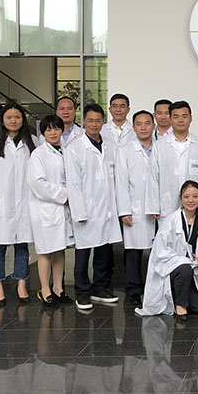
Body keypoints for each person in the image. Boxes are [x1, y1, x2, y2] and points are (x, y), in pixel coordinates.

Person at [65, 103, 123, 311]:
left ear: (103, 122)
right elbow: (73, 184)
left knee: (103, 251)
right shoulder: (74, 148)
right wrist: (79, 211)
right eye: (90, 120)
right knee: (83, 253)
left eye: (98, 120)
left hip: (106, 208)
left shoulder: (110, 146)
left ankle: (100, 288)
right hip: (86, 209)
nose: (94, 124)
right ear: (84, 122)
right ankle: (82, 291)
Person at [0, 103, 37, 307]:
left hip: (25, 201)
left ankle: (22, 283)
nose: (14, 120)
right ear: (2, 120)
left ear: (23, 119)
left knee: (22, 245)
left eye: (17, 117)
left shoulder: (33, 141)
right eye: (9, 117)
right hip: (1, 202)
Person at [136, 180, 198, 319]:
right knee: (184, 268)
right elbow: (161, 251)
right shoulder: (171, 221)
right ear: (180, 198)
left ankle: (176, 295)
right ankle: (180, 306)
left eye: (195, 196)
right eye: (186, 197)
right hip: (171, 270)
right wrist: (182, 261)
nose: (190, 200)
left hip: (191, 271)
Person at [27, 115, 74, 307]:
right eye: (48, 129)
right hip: (46, 209)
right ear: (43, 133)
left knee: (60, 249)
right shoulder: (38, 154)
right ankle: (45, 290)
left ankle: (58, 288)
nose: (53, 133)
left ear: (62, 130)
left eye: (56, 129)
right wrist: (65, 195)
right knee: (46, 251)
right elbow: (37, 183)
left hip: (63, 209)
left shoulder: (67, 150)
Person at [116, 110, 158, 308]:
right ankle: (133, 290)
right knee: (133, 251)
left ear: (153, 126)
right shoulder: (124, 150)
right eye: (139, 124)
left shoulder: (161, 147)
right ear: (133, 127)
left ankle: (155, 289)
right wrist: (124, 210)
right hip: (135, 207)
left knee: (158, 250)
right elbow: (121, 182)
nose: (143, 127)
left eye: (147, 123)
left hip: (159, 208)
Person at [146, 100, 198, 219]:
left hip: (194, 206)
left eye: (184, 116)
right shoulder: (159, 146)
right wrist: (153, 207)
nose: (180, 120)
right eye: (176, 117)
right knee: (168, 230)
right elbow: (153, 178)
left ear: (191, 119)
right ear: (170, 119)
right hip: (167, 205)